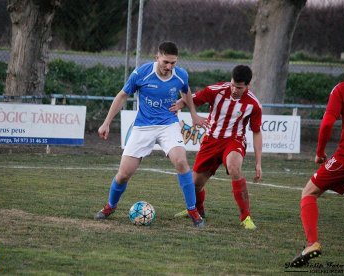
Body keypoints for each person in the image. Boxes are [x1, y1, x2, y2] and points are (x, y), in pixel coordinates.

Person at [95, 41, 207, 227]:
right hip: (143, 127)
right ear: (157, 57)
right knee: (123, 174)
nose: (169, 67)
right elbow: (122, 96)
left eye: (173, 63)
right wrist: (106, 122)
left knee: (181, 161)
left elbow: (186, 93)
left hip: (168, 125)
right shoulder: (141, 73)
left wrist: (193, 114)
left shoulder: (181, 75)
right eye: (166, 62)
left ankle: (193, 210)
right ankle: (110, 206)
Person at [290, 48, 344, 267]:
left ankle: (312, 243)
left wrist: (320, 152)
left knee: (309, 191)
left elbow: (327, 123)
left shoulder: (342, 89)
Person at [172, 65, 263, 230]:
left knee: (234, 167)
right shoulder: (216, 90)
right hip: (211, 140)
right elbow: (191, 98)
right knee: (195, 185)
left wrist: (258, 163)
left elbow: (256, 132)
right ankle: (197, 210)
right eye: (233, 84)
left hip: (234, 140)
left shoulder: (254, 105)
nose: (235, 89)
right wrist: (178, 104)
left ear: (248, 85)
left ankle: (246, 217)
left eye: (239, 87)